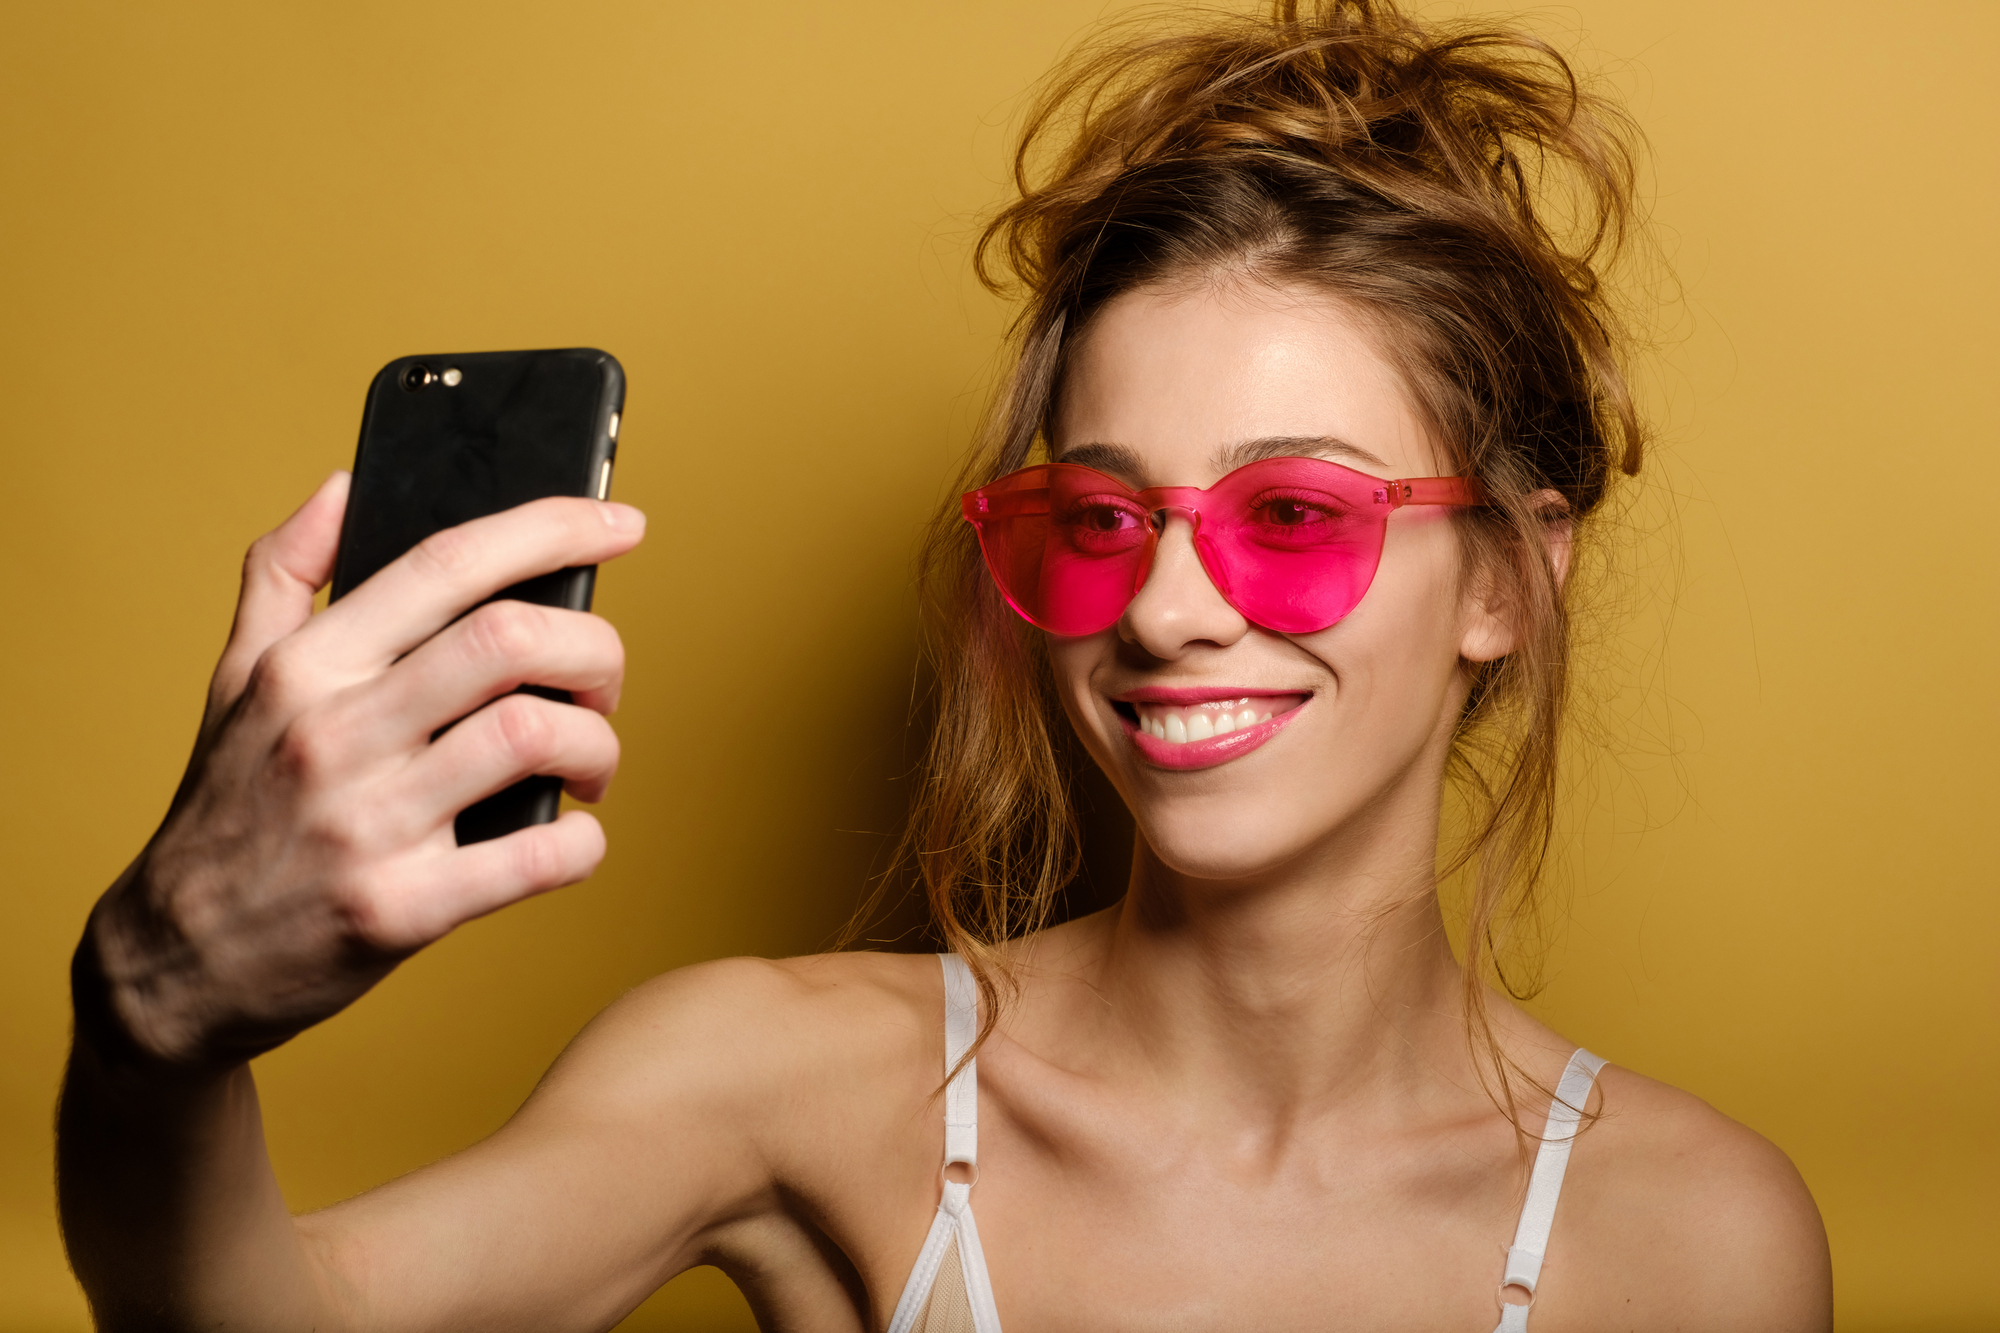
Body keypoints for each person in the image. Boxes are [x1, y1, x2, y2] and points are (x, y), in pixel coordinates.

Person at [56, 2, 1833, 1329]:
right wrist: (154, 1007)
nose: (1169, 610)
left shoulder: (1697, 1239)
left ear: (1512, 573)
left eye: (1297, 511)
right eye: (1102, 517)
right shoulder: (785, 1080)